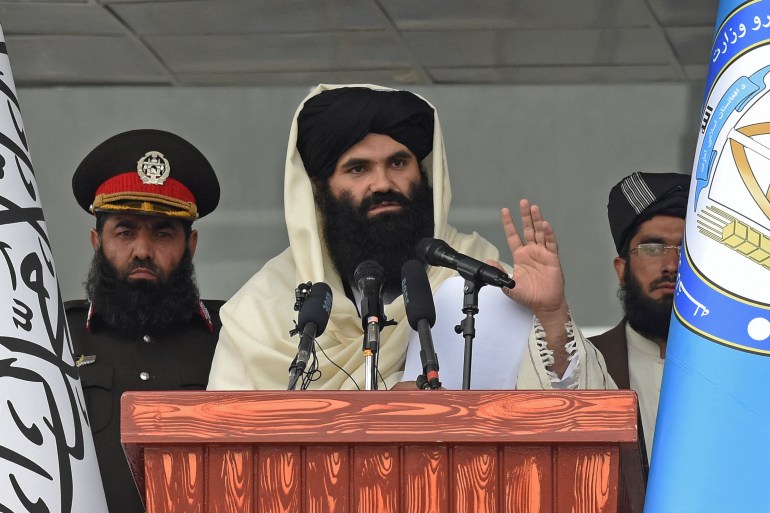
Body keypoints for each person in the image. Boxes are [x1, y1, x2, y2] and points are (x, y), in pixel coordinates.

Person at [208, 84, 613, 391]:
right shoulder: (262, 310)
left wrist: (553, 315)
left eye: (398, 163)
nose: (382, 183)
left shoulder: (477, 278)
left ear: (422, 173)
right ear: (319, 188)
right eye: (357, 169)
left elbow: (578, 411)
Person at [67, 129, 223, 513]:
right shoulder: (58, 336)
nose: (142, 250)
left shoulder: (232, 333)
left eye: (163, 233)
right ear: (95, 240)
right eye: (125, 231)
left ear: (191, 244)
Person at [590, 171, 690, 469]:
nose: (671, 266)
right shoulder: (588, 363)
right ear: (622, 271)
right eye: (652, 249)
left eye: (687, 249)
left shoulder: (745, 367)